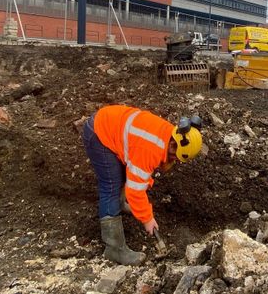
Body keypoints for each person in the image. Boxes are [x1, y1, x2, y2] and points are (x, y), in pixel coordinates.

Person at [82, 105, 203, 265]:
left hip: (109, 123)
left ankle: (119, 205)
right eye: (176, 158)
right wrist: (147, 219)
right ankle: (114, 248)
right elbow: (135, 190)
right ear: (174, 147)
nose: (174, 162)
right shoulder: (150, 150)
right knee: (111, 185)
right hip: (100, 134)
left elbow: (138, 169)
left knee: (122, 175)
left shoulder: (170, 134)